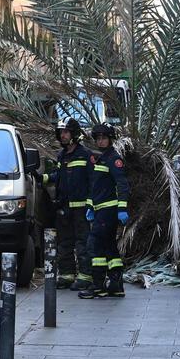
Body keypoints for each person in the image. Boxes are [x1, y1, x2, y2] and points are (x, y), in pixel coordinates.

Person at [79, 122, 131, 299]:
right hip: (101, 211)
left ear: (110, 139)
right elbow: (96, 187)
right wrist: (89, 206)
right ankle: (116, 285)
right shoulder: (101, 159)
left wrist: (122, 208)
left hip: (108, 211)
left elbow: (122, 185)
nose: (101, 141)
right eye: (98, 138)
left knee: (94, 246)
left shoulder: (113, 159)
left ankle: (98, 286)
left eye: (104, 138)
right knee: (110, 248)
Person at [44, 118, 93, 290]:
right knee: (64, 243)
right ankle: (67, 275)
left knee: (82, 243)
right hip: (63, 208)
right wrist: (46, 178)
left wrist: (90, 204)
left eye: (66, 132)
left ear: (74, 134)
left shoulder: (85, 155)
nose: (63, 135)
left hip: (81, 209)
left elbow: (92, 181)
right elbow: (61, 175)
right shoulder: (62, 155)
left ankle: (86, 276)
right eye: (61, 132)